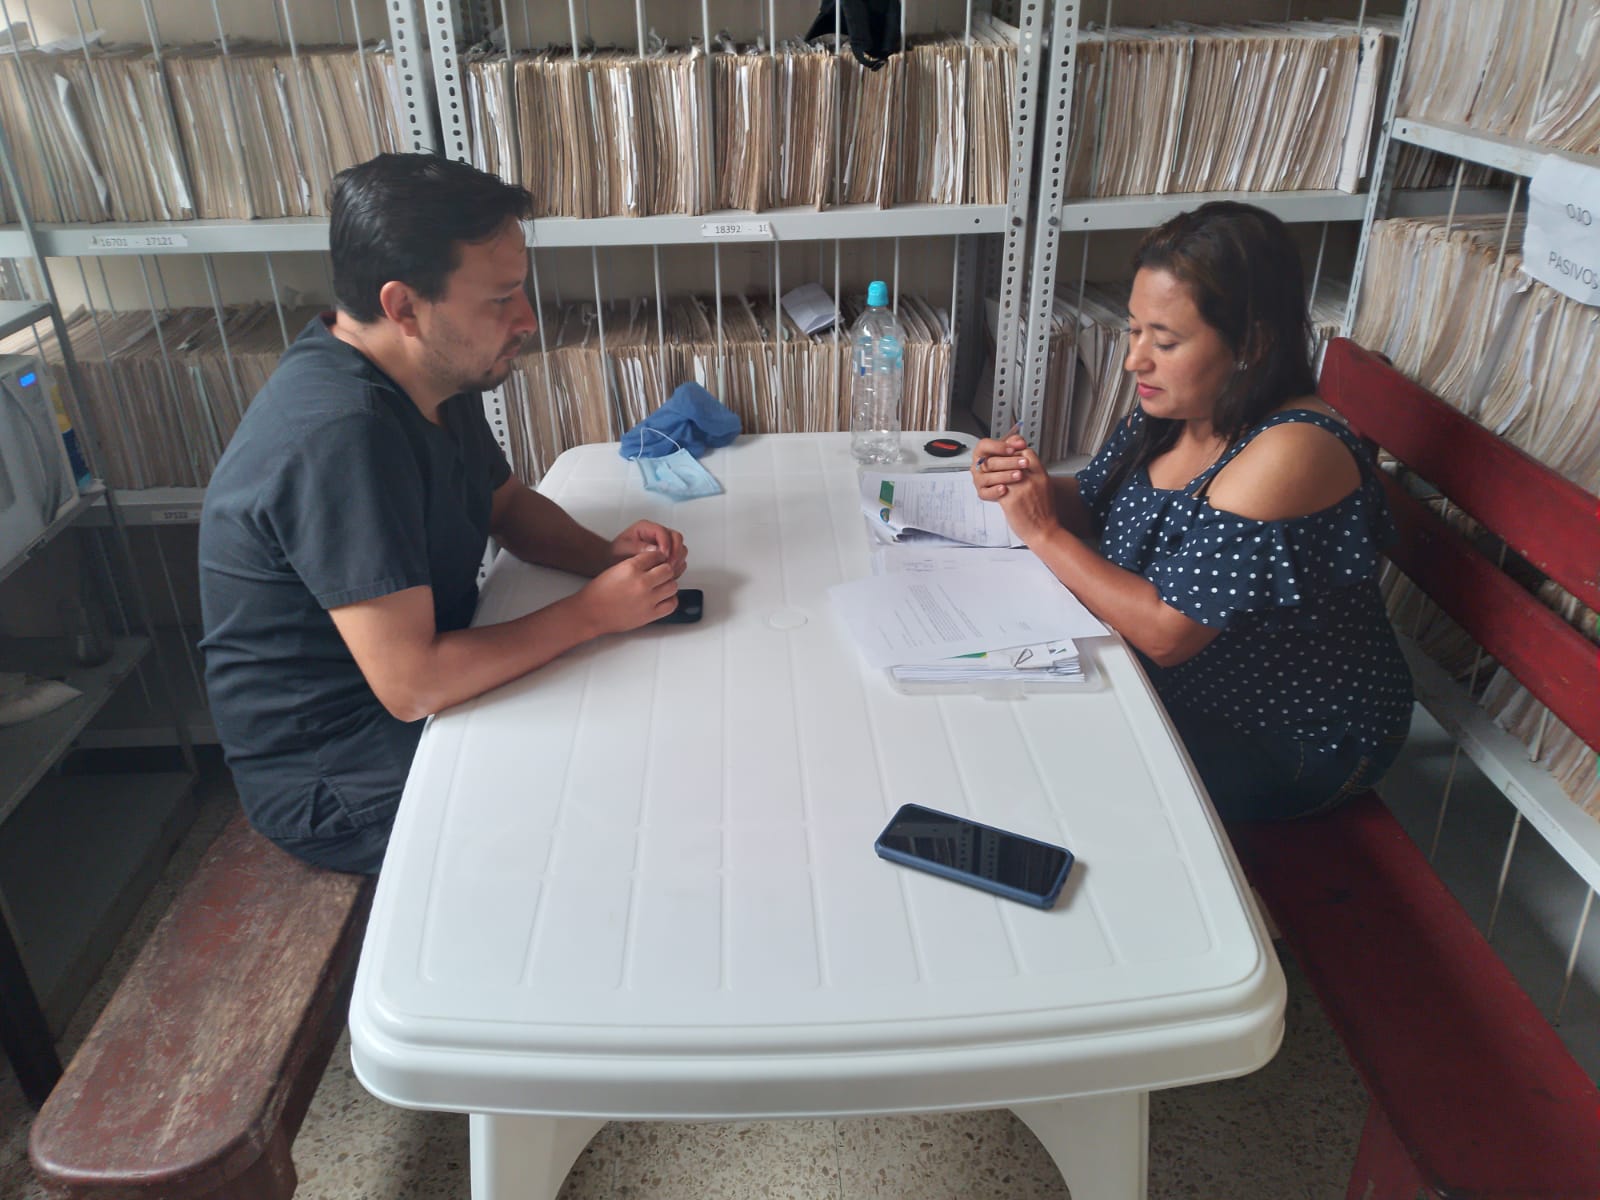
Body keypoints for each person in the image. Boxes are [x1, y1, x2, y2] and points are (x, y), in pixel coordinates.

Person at [199, 154, 688, 874]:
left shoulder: (426, 372)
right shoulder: (342, 435)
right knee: (627, 802)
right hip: (341, 777)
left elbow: (505, 505)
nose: (527, 319)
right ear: (404, 307)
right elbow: (413, 685)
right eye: (500, 299)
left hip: (420, 692)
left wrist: (603, 558)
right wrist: (592, 614)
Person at [970, 201, 1412, 821]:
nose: (1136, 360)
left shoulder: (1291, 452)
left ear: (1251, 343)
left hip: (1291, 736)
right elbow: (1093, 502)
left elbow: (1166, 634)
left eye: (1166, 341)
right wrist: (1025, 483)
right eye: (1134, 330)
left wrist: (1042, 532)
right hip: (1178, 689)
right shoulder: (1181, 406)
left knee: (1041, 783)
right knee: (994, 731)